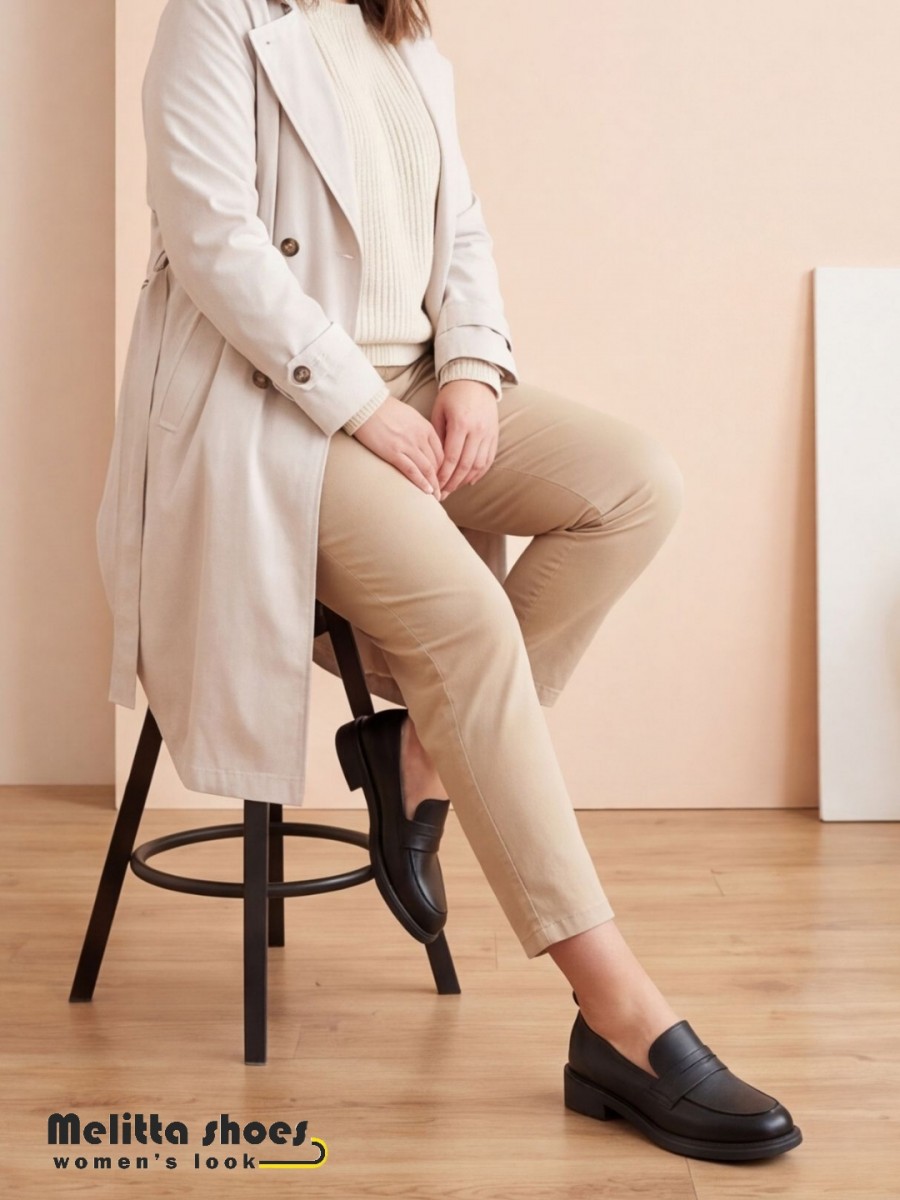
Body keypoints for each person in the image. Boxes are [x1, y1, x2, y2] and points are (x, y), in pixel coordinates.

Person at [115, 0, 802, 1162]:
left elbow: (460, 222)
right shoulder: (215, 17)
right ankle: (617, 1014)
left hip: (417, 380)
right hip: (278, 409)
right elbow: (215, 242)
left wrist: (475, 370)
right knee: (471, 627)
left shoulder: (397, 21)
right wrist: (360, 405)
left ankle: (417, 756)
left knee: (636, 487)